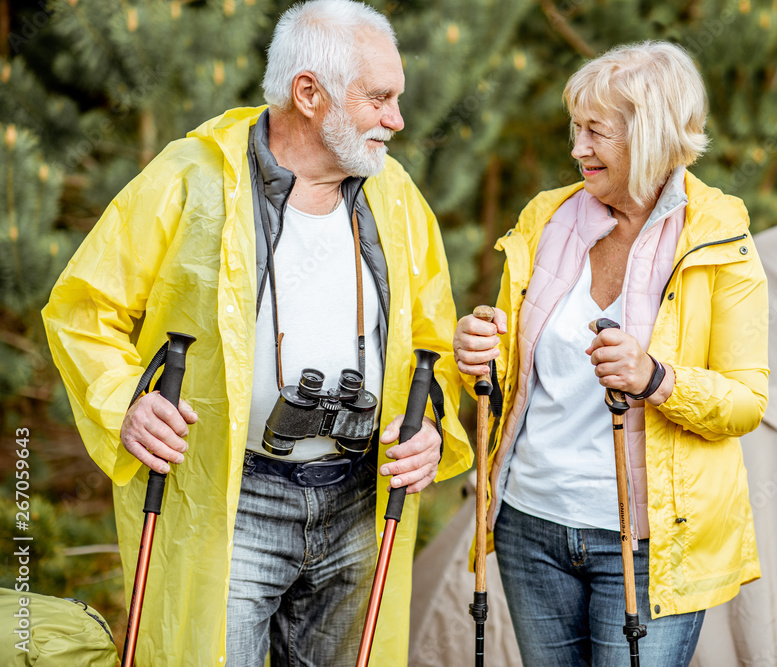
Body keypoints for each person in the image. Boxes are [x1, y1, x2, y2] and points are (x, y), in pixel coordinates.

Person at [42, 1, 471, 665]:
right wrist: (125, 399)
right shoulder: (191, 178)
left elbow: (432, 349)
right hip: (230, 501)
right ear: (309, 92)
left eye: (398, 98)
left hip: (362, 499)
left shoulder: (399, 197)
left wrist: (432, 431)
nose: (397, 119)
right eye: (380, 98)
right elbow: (82, 308)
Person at [453, 41, 768, 666]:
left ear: (649, 135)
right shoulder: (547, 220)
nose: (577, 149)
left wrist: (655, 378)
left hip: (651, 541)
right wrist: (478, 359)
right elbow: (510, 381)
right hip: (529, 522)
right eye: (576, 129)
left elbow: (745, 402)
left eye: (596, 132)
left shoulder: (718, 239)